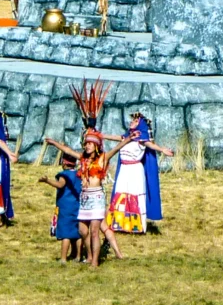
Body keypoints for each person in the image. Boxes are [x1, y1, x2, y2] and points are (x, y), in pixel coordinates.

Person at [45, 129, 137, 267]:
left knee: (94, 232)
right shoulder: (82, 159)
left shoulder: (102, 159)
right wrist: (53, 143)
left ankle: (94, 261)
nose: (87, 146)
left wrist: (129, 139)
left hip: (96, 197)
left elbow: (117, 148)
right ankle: (89, 255)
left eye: (90, 144)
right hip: (84, 198)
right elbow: (68, 150)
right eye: (86, 143)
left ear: (96, 146)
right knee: (82, 230)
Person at [102, 113, 173, 234]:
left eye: (134, 121)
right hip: (124, 169)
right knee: (121, 193)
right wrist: (101, 135)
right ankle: (120, 223)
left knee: (134, 194)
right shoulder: (128, 136)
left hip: (134, 170)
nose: (131, 122)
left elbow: (149, 144)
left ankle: (137, 225)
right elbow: (118, 137)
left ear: (139, 124)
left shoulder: (141, 137)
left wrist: (162, 149)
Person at [38, 153, 82, 264]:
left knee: (66, 233)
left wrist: (47, 181)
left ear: (64, 162)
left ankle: (63, 258)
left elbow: (60, 185)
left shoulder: (64, 174)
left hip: (65, 208)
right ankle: (77, 256)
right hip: (77, 206)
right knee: (77, 233)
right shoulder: (79, 174)